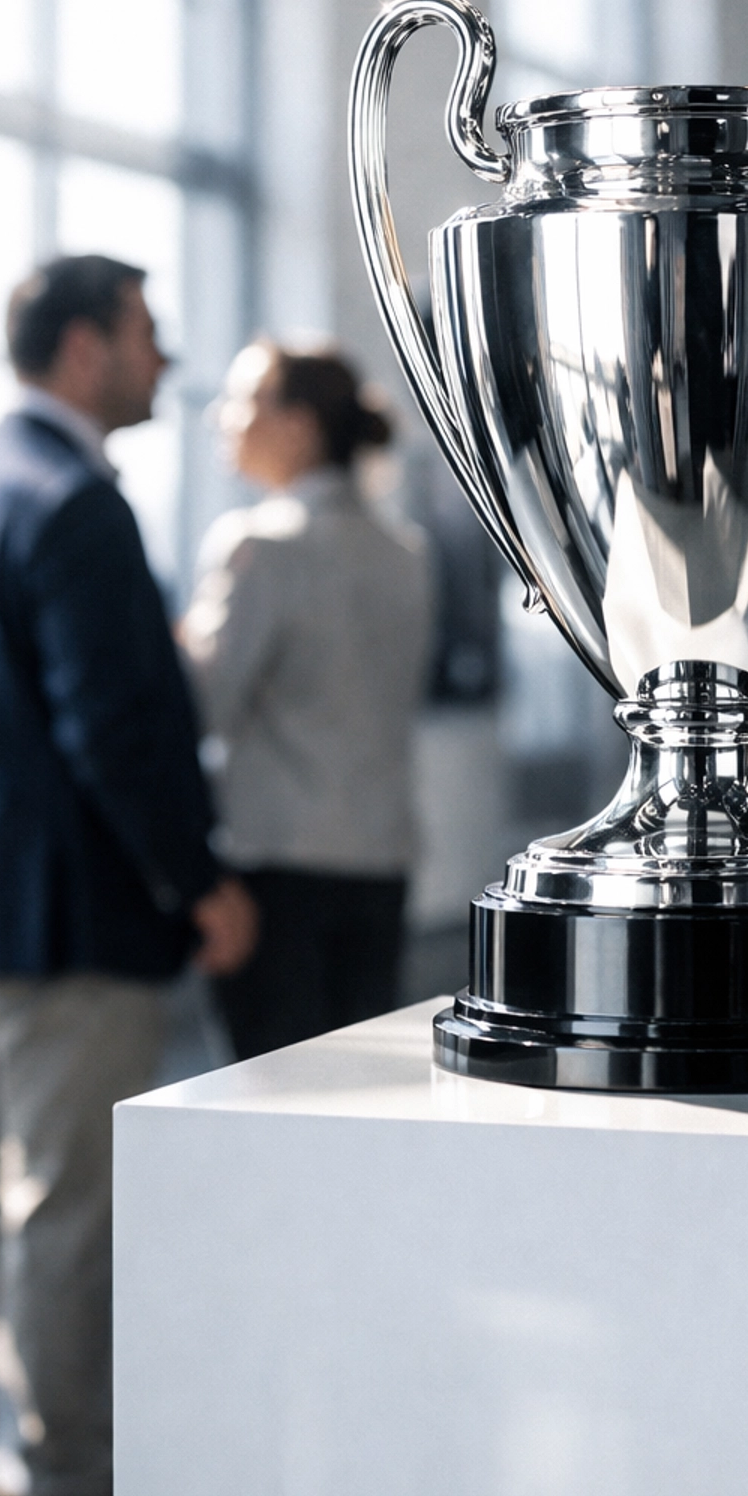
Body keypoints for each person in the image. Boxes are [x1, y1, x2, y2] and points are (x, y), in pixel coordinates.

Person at [0, 256, 257, 1496]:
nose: (162, 361)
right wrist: (198, 881)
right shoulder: (74, 506)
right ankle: (70, 1490)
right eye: (145, 335)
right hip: (63, 922)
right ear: (81, 347)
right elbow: (114, 726)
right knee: (64, 1212)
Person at [179, 342, 434, 1059]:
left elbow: (204, 705)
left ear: (298, 425)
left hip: (279, 870)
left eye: (243, 401)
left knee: (268, 1094)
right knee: (350, 1095)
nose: (221, 419)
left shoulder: (258, 545)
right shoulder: (403, 551)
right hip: (380, 859)